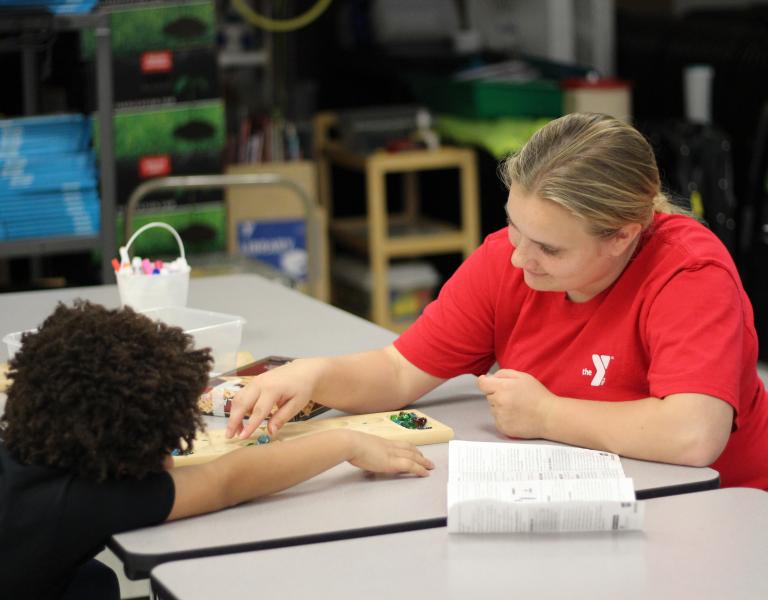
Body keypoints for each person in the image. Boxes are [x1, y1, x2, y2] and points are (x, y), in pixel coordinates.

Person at [228, 112, 768, 490]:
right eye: (514, 227)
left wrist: (547, 414)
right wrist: (312, 376)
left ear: (622, 236)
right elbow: (398, 371)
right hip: (583, 494)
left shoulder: (689, 275)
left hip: (715, 503)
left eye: (550, 248)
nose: (518, 259)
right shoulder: (508, 260)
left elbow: (694, 435)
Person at [0, 301, 433, 600]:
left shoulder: (26, 445)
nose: (170, 454)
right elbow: (225, 480)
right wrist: (346, 441)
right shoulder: (83, 501)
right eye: (166, 439)